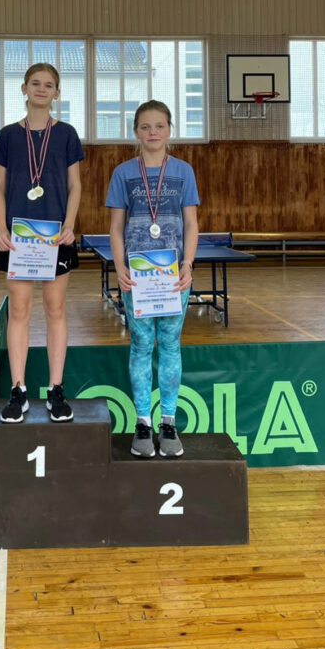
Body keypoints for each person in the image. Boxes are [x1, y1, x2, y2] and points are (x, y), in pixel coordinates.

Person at [0, 63, 84, 424]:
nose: (41, 89)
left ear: (57, 93)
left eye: (48, 85)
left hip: (56, 236)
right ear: (23, 88)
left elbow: (75, 185)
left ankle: (56, 388)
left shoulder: (67, 134)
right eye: (35, 83)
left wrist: (70, 224)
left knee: (55, 309)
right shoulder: (8, 135)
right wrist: (1, 228)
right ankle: (18, 390)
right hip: (19, 238)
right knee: (19, 310)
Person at [106, 101, 199, 459]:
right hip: (138, 277)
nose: (153, 132)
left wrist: (187, 263)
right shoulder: (123, 173)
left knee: (171, 344)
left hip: (174, 275)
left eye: (159, 125)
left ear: (170, 130)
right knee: (142, 345)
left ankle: (168, 422)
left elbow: (190, 223)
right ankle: (143, 422)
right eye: (145, 126)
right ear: (136, 132)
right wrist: (120, 267)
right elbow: (116, 227)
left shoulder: (184, 171)